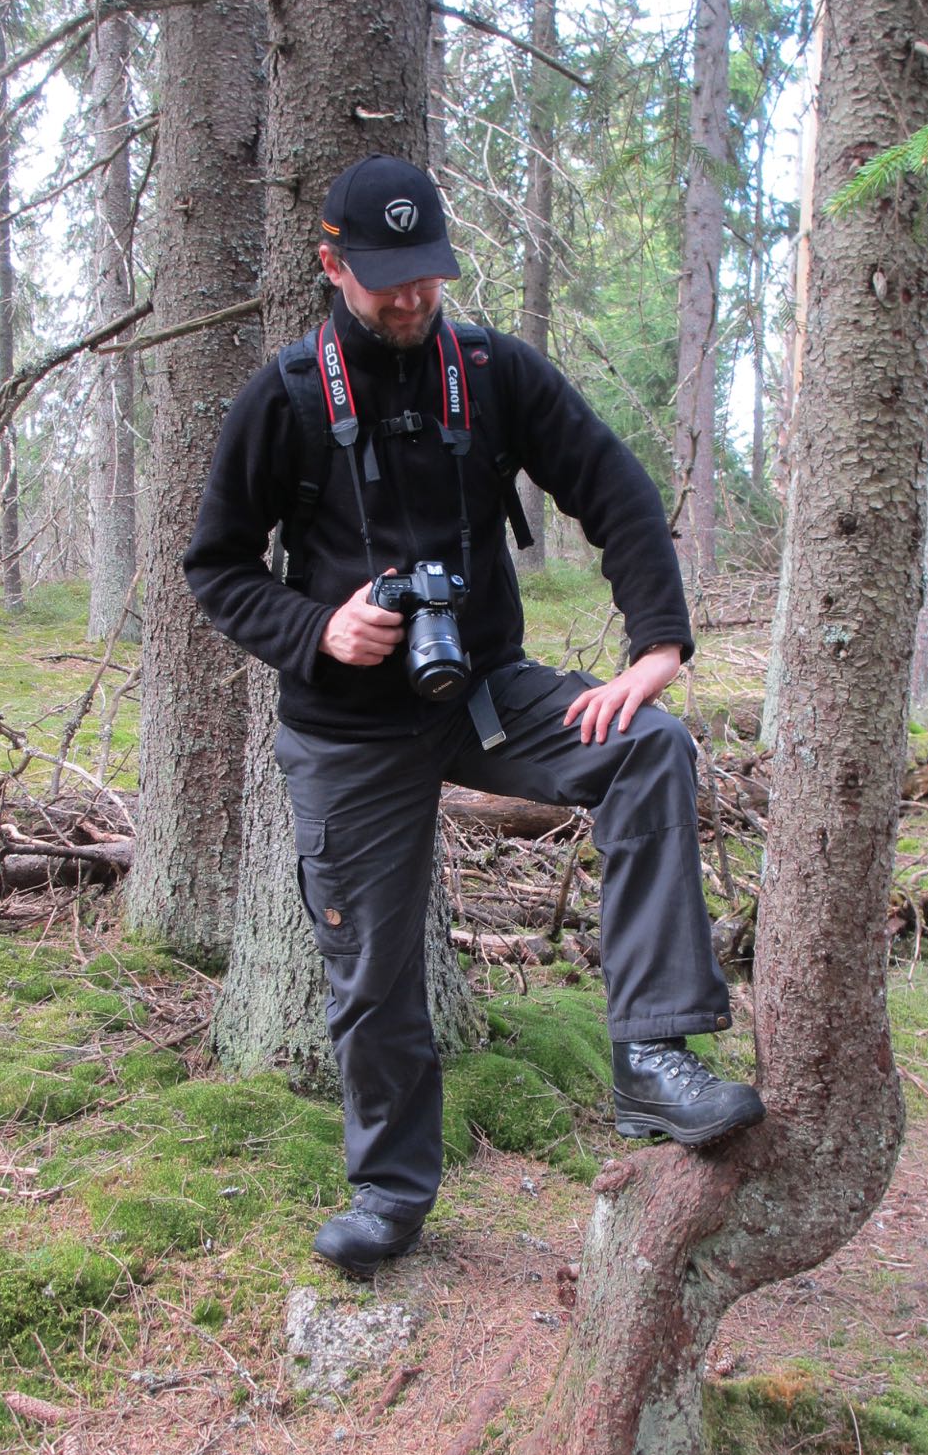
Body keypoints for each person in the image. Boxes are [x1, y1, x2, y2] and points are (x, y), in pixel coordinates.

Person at [184, 154, 763, 1278]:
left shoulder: (493, 372)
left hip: (487, 692)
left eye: (428, 274)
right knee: (372, 969)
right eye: (387, 277)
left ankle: (653, 1057)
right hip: (347, 727)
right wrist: (319, 629)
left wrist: (656, 646)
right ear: (333, 265)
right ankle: (390, 1194)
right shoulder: (286, 397)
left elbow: (616, 489)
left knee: (647, 747)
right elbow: (216, 567)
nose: (411, 296)